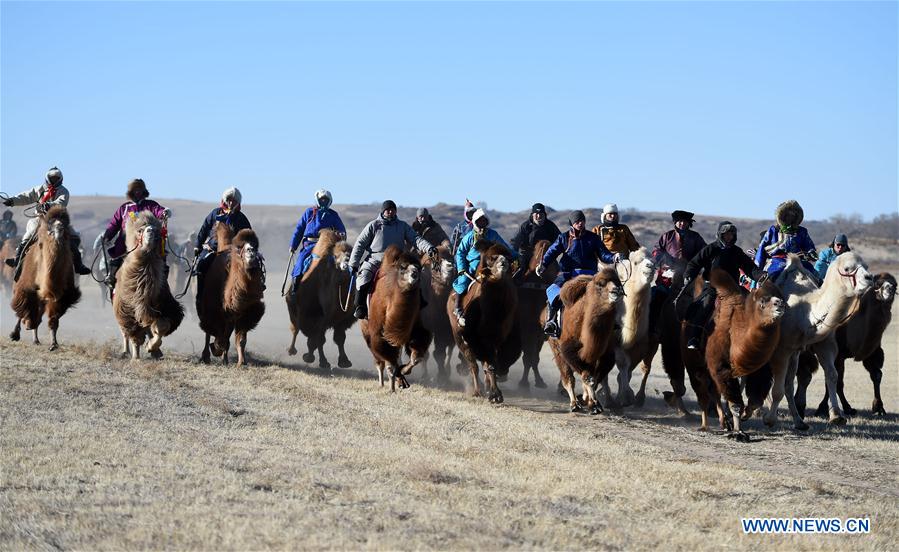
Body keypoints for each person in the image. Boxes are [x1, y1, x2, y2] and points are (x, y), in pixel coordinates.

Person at [682, 221, 768, 350]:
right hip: (713, 287)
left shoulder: (737, 251)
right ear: (720, 234)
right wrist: (688, 274)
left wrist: (761, 276)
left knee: (751, 304)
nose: (729, 237)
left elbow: (750, 268)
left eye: (731, 234)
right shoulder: (711, 249)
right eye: (726, 234)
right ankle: (695, 337)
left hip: (733, 288)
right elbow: (694, 263)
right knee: (705, 306)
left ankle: (754, 339)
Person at [349, 200, 436, 320]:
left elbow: (415, 239)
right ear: (383, 211)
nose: (390, 211)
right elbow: (360, 244)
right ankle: (360, 306)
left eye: (392, 209)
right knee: (364, 276)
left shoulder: (402, 226)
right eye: (387, 209)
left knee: (414, 273)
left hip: (397, 261)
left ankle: (419, 302)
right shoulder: (373, 225)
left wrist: (429, 248)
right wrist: (354, 263)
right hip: (375, 259)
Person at [537, 210, 617, 338]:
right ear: (572, 223)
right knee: (553, 290)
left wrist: (613, 257)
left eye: (582, 221)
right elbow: (552, 252)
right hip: (567, 274)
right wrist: (543, 265)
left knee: (611, 292)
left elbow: (603, 254)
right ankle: (552, 321)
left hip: (590, 275)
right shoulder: (563, 238)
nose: (580, 223)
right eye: (577, 221)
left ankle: (613, 322)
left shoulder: (593, 238)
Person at [3, 166, 91, 275]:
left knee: (73, 235)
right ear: (47, 178)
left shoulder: (64, 191)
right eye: (52, 178)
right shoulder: (39, 189)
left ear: (60, 179)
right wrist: (12, 201)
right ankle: (17, 259)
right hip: (40, 218)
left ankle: (78, 265)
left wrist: (49, 205)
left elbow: (61, 202)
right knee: (30, 233)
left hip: (57, 219)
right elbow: (26, 196)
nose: (54, 180)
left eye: (56, 178)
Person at [96, 178, 172, 293]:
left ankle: (162, 285)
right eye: (135, 189)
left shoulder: (150, 205)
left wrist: (164, 212)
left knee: (161, 260)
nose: (138, 192)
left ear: (143, 191)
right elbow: (114, 224)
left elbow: (158, 211)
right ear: (131, 191)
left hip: (148, 243)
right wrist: (107, 236)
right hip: (126, 242)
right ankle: (112, 280)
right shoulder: (124, 208)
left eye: (140, 189)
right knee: (116, 259)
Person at [451, 208, 518, 326]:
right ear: (475, 222)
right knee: (463, 281)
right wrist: (462, 269)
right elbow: (460, 252)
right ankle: (458, 308)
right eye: (479, 221)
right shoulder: (469, 237)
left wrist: (516, 256)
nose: (482, 224)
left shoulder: (492, 234)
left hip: (490, 265)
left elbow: (504, 247)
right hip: (472, 266)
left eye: (484, 221)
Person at [649, 210, 707, 334]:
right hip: (667, 276)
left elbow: (704, 253)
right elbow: (656, 251)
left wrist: (694, 264)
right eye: (679, 221)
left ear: (689, 223)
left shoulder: (695, 237)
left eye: (684, 222)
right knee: (656, 297)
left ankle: (697, 331)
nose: (682, 224)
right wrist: (664, 259)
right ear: (675, 222)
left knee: (700, 300)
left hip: (689, 277)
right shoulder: (667, 236)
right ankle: (653, 327)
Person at [194, 187, 252, 298]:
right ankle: (200, 297)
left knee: (248, 268)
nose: (230, 203)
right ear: (225, 200)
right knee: (201, 266)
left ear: (237, 202)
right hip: (213, 249)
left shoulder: (240, 218)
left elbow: (248, 235)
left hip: (234, 252)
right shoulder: (215, 213)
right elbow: (204, 229)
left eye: (234, 200)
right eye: (229, 199)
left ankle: (247, 296)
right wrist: (197, 245)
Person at [288, 189, 346, 293]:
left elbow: (341, 230)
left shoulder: (333, 215)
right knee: (301, 262)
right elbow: (299, 229)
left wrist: (340, 234)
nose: (323, 201)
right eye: (321, 199)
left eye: (325, 199)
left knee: (340, 264)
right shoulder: (309, 212)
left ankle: (343, 291)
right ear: (317, 200)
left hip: (327, 246)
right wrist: (293, 245)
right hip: (309, 245)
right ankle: (295, 289)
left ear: (330, 201)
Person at [755, 199, 817, 282]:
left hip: (798, 261)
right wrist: (757, 269)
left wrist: (810, 253)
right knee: (773, 275)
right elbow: (762, 248)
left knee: (814, 274)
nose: (791, 217)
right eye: (788, 215)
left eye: (793, 215)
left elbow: (809, 246)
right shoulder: (773, 230)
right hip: (778, 260)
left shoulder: (802, 231)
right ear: (782, 216)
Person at [510, 202, 561, 275]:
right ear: (532, 215)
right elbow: (515, 242)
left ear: (545, 215)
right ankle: (515, 283)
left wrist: (553, 251)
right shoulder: (525, 226)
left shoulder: (550, 226)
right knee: (519, 270)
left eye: (541, 214)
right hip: (527, 254)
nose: (539, 216)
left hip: (546, 254)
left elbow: (560, 240)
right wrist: (514, 256)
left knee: (558, 271)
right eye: (536, 214)